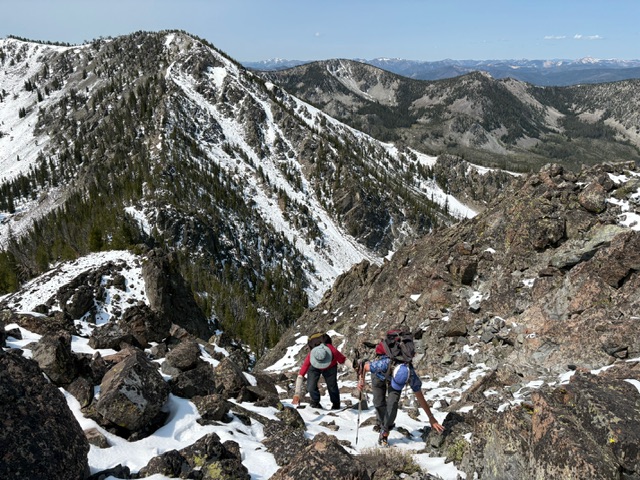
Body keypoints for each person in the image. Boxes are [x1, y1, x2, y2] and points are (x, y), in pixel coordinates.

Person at [357, 342, 444, 446]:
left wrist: (431, 418)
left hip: (393, 374)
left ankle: (385, 430)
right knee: (378, 402)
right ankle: (381, 422)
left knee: (393, 403)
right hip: (379, 374)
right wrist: (361, 380)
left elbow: (420, 398)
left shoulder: (411, 375)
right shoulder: (381, 364)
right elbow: (364, 366)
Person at [292, 338, 346, 409]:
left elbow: (344, 360)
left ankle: (336, 404)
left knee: (332, 386)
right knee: (310, 387)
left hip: (331, 367)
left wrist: (357, 369)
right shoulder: (311, 356)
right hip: (314, 367)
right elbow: (301, 375)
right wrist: (297, 394)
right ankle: (315, 402)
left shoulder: (333, 351)